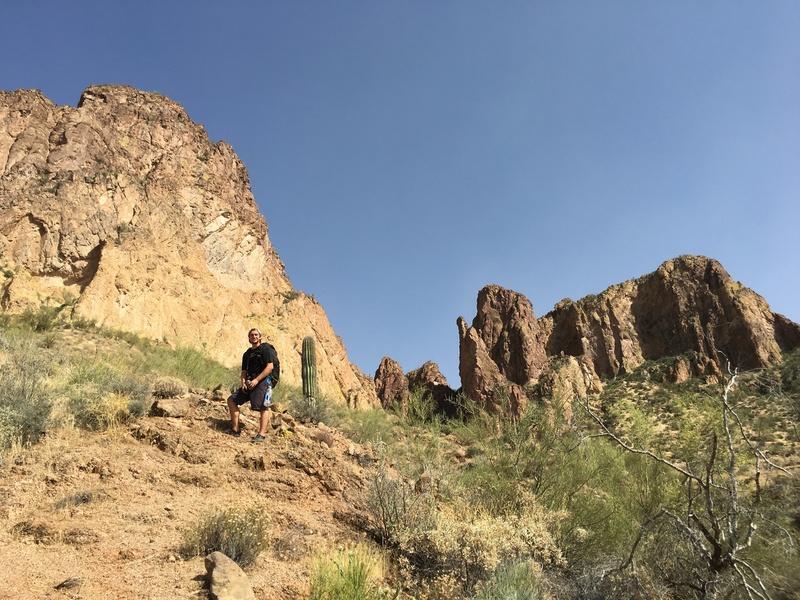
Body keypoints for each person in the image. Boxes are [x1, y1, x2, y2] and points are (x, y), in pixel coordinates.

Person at [227, 328, 277, 443]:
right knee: (231, 400)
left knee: (263, 407)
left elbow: (270, 367)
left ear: (260, 337)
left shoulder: (266, 350)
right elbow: (244, 371)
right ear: (249, 338)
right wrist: (243, 382)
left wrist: (256, 380)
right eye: (251, 335)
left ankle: (261, 435)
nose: (254, 337)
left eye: (256, 335)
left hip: (263, 382)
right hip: (249, 383)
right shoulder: (247, 354)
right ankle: (235, 430)